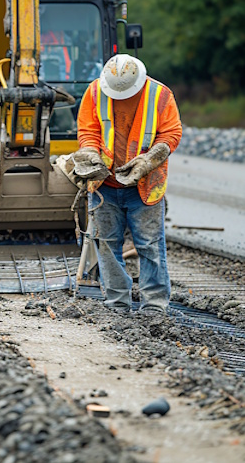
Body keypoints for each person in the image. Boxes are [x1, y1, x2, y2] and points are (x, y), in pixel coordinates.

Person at [71, 54, 182, 316]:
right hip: (104, 185)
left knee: (150, 246)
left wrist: (148, 160)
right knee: (108, 246)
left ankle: (154, 306)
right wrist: (89, 153)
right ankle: (117, 304)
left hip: (144, 185)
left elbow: (171, 134)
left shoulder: (160, 95)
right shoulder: (96, 91)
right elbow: (88, 130)